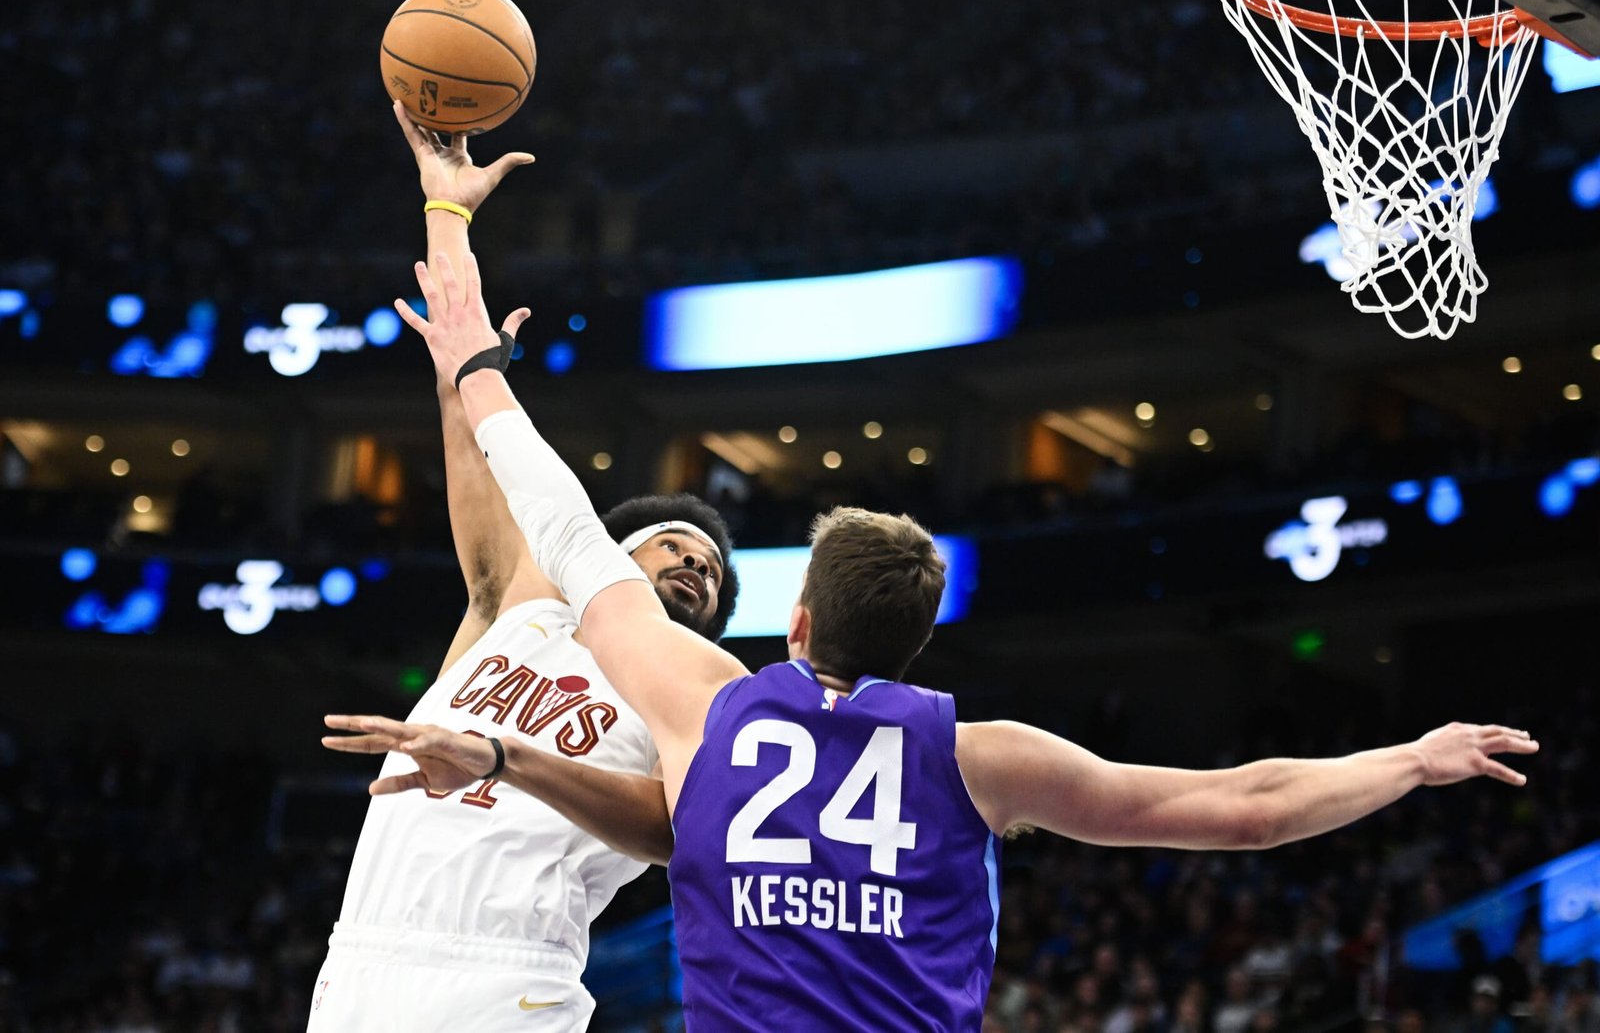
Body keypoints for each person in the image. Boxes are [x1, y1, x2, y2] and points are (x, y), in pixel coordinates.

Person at [332, 248, 1540, 1030]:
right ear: (919, 646)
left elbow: (555, 509)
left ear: (795, 623)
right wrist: (1412, 758)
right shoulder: (980, 755)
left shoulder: (707, 705)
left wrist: (473, 360)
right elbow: (1249, 808)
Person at [309, 105, 740, 1033]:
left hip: (511, 969)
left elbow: (681, 834)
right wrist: (447, 208)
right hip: (362, 959)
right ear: (608, 554)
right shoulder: (514, 600)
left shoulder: (688, 691)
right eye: (674, 544)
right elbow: (461, 378)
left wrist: (510, 759)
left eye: (708, 572)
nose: (693, 565)